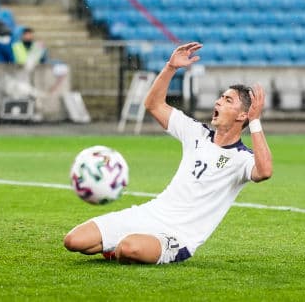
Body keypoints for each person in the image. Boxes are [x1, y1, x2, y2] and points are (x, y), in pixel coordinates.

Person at [63, 42, 273, 264]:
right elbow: (153, 105)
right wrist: (170, 68)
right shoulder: (196, 133)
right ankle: (120, 246)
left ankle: (125, 247)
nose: (219, 101)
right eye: (221, 97)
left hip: (176, 236)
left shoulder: (241, 158)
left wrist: (256, 121)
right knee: (74, 241)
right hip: (148, 214)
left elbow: (265, 171)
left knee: (129, 247)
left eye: (228, 100)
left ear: (242, 116)